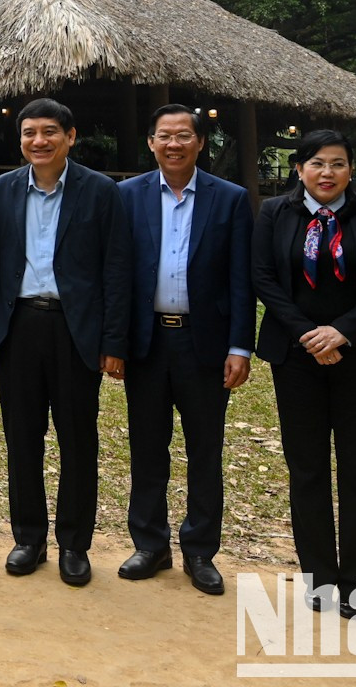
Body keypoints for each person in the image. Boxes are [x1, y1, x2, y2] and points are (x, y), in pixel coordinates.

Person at [253, 130, 356, 619]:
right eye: (316, 163)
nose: (326, 173)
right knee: (308, 470)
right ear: (299, 169)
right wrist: (308, 336)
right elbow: (265, 280)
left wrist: (341, 332)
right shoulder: (275, 213)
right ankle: (318, 581)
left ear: (351, 170)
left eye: (337, 163)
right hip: (296, 358)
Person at [0, 98, 129, 586]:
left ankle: (74, 543)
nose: (38, 141)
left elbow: (116, 269)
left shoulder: (101, 192)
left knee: (77, 438)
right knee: (21, 438)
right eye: (29, 133)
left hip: (76, 329)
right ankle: (28, 537)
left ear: (71, 137)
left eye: (49, 132)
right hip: (19, 327)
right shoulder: (2, 190)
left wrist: (113, 340)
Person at [115, 104, 255, 596]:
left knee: (205, 449)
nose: (173, 144)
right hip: (147, 342)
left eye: (183, 136)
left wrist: (241, 346)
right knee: (147, 447)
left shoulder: (230, 199)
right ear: (151, 143)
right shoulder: (126, 196)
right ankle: (149, 544)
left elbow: (242, 279)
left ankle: (200, 550)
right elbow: (117, 277)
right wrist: (115, 343)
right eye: (163, 136)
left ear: (199, 143)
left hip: (206, 344)